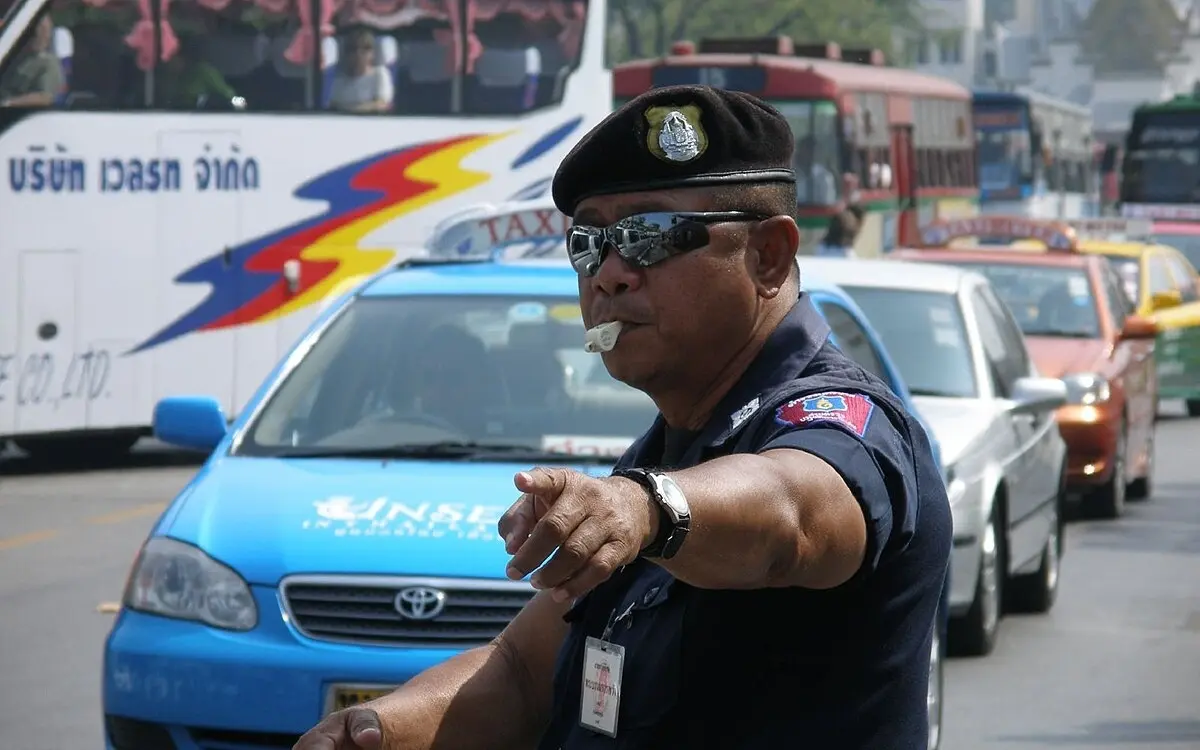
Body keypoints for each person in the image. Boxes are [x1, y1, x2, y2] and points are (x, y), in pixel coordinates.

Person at [293, 84, 951, 750]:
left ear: (768, 257)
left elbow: (792, 514)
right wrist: (373, 731)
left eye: (648, 236)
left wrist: (646, 511)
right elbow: (523, 674)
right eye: (588, 243)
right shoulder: (663, 455)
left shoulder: (839, 419)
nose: (608, 274)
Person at [0, 14, 64, 108]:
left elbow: (45, 98)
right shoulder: (13, 56)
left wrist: (8, 103)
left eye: (43, 31)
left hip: (20, 115)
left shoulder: (48, 64)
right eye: (33, 31)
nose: (38, 34)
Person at [329, 28, 394, 113]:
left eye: (365, 49)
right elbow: (334, 106)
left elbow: (382, 104)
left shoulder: (380, 74)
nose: (358, 54)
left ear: (372, 53)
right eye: (353, 49)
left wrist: (354, 110)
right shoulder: (340, 80)